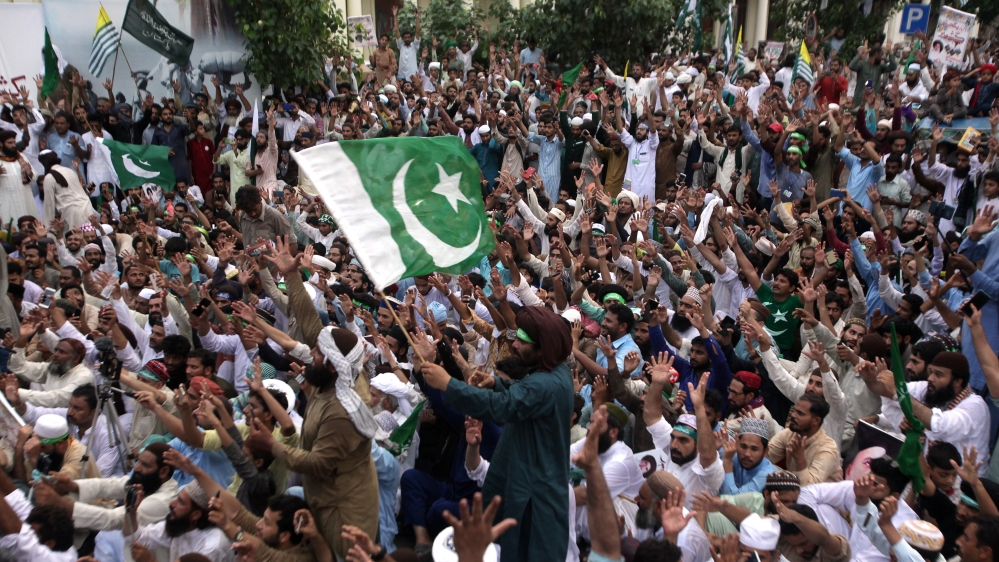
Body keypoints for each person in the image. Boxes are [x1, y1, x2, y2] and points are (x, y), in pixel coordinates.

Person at [420, 305, 574, 562]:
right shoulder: (557, 370)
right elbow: (525, 392)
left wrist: (448, 384)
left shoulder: (544, 384)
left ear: (542, 349)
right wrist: (498, 382)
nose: (515, 345)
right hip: (526, 473)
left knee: (521, 548)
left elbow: (501, 407)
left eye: (524, 343)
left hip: (532, 491)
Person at [0, 129, 38, 226]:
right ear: (1, 144)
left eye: (14, 142)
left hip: (24, 199)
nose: (13, 145)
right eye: (9, 143)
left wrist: (29, 173)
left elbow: (34, 176)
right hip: (6, 201)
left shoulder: (21, 157)